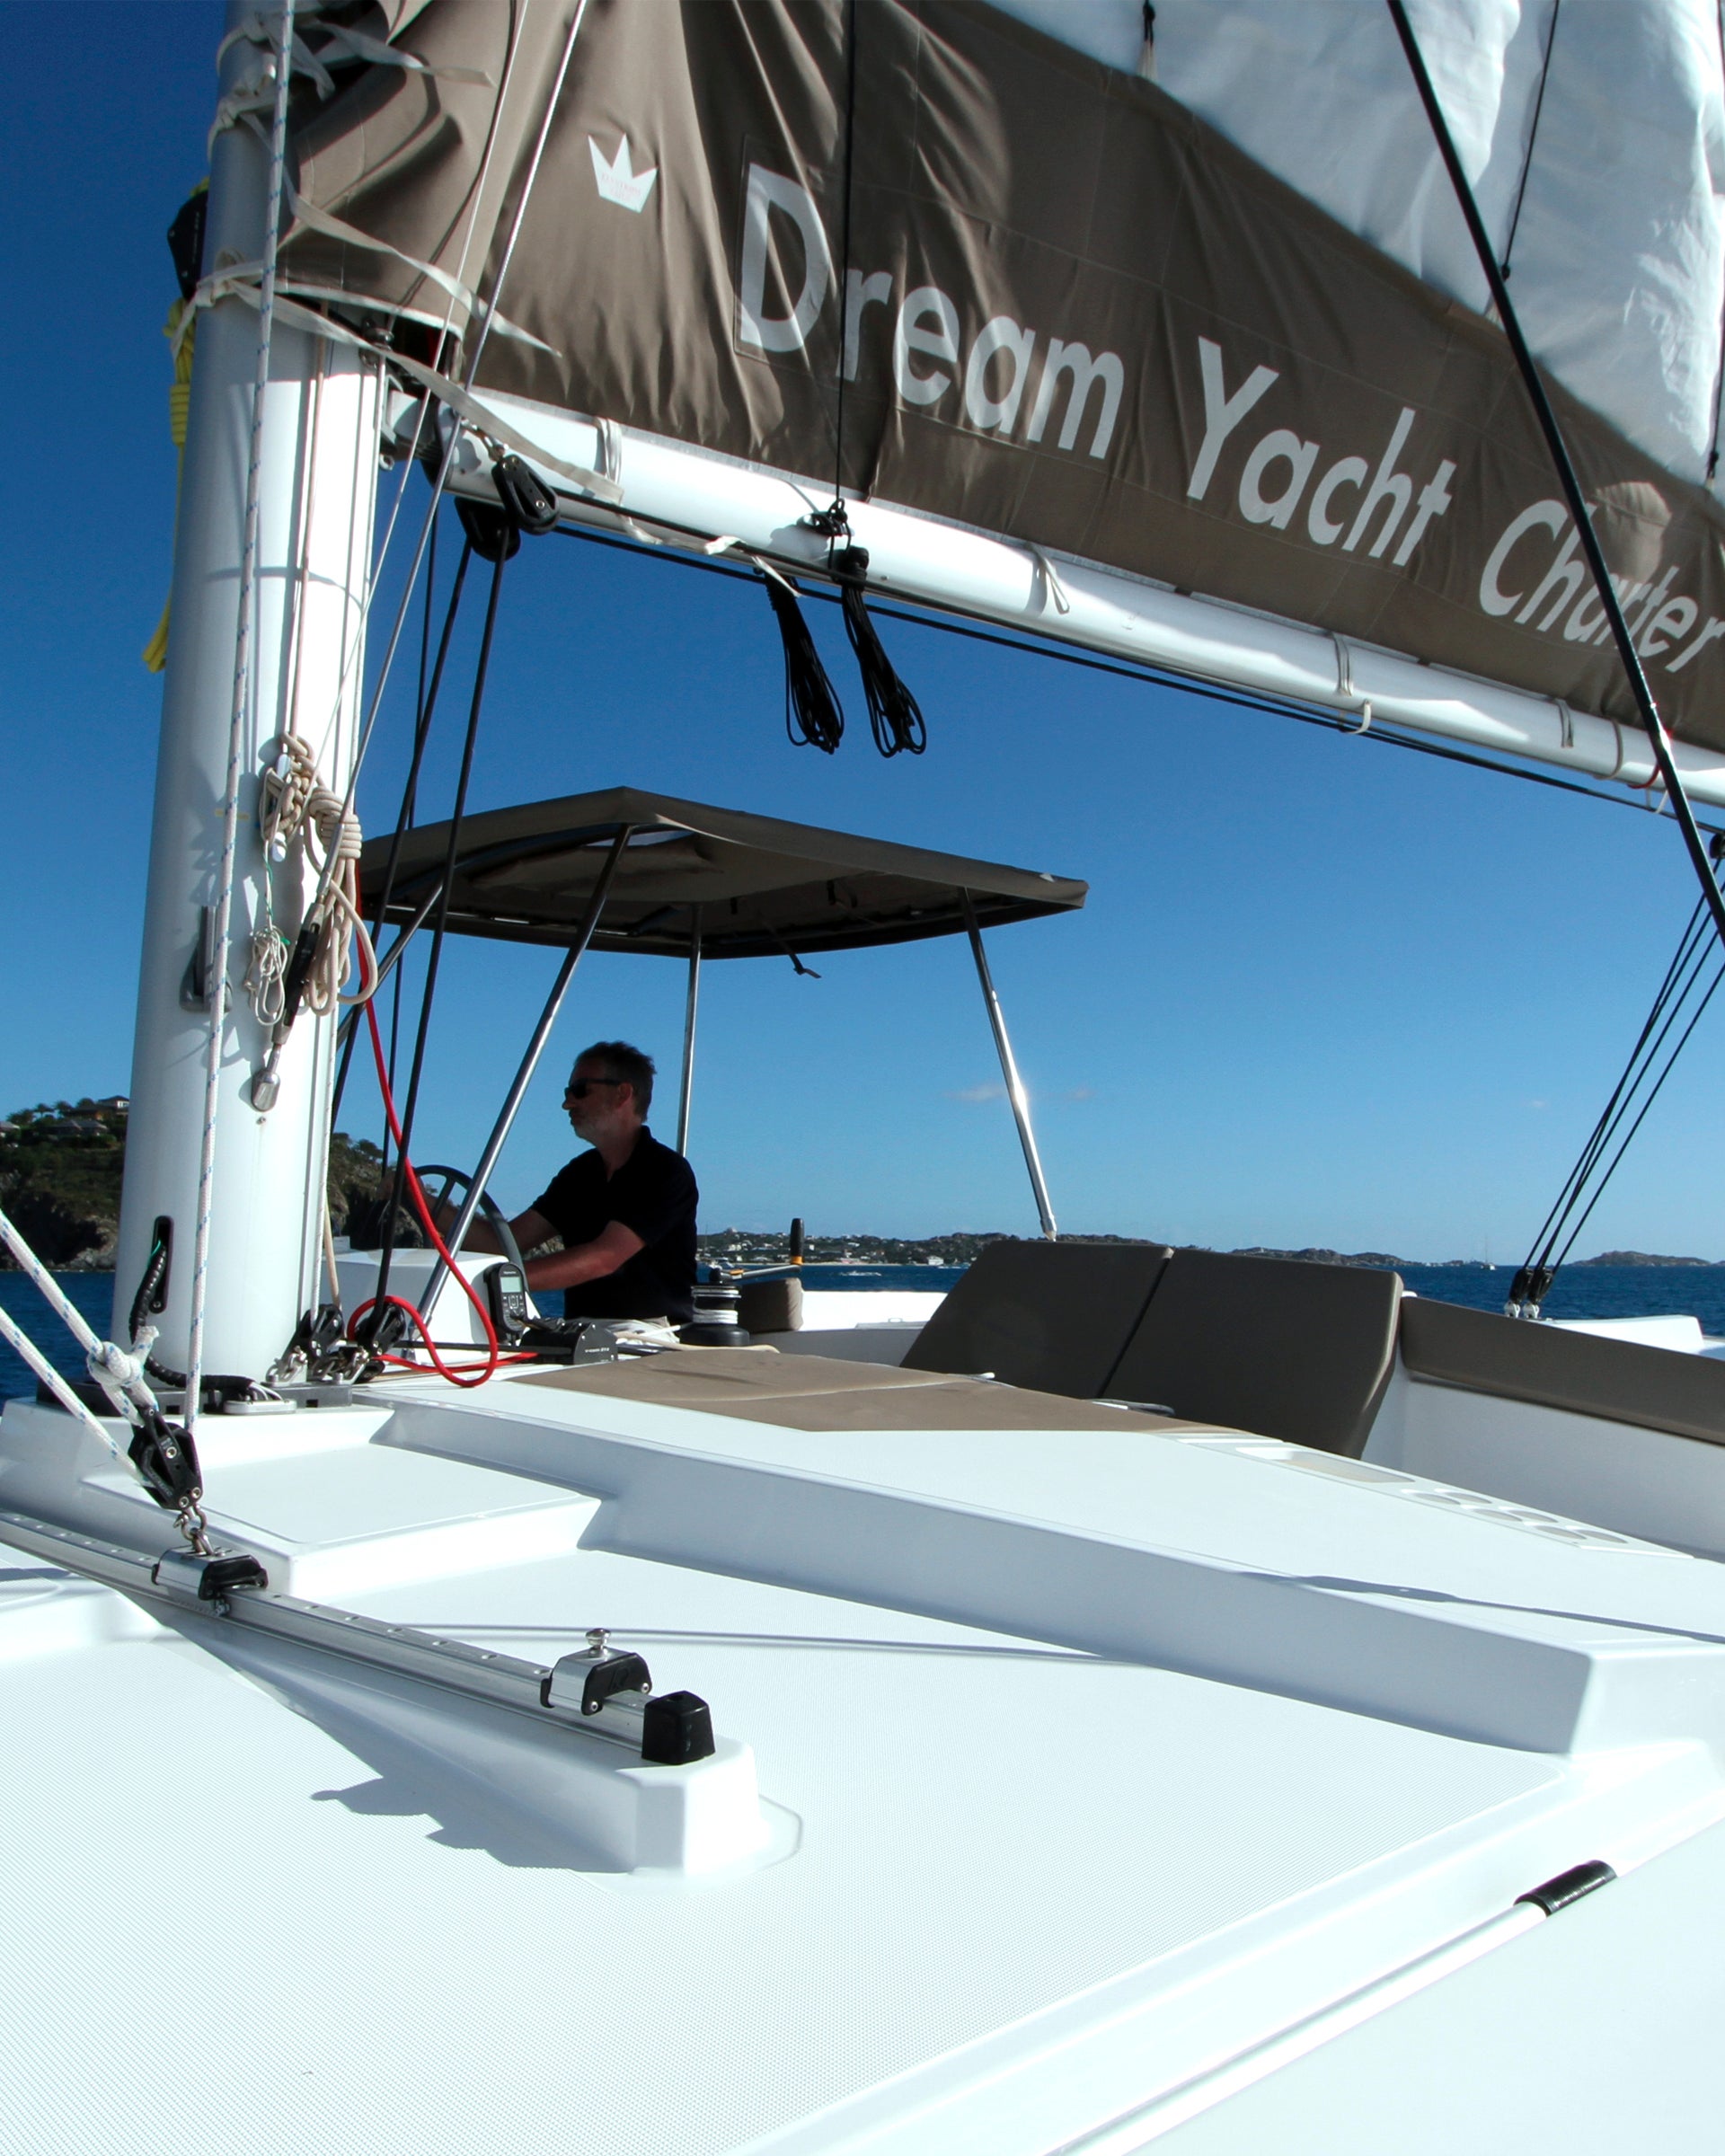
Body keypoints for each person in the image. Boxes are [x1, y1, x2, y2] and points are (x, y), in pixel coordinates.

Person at [450, 1041, 698, 1323]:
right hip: (581, 1334)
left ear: (622, 1093)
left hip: (653, 1338)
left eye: (580, 1090)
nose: (567, 1103)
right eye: (568, 1092)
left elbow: (604, 1257)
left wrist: (496, 1282)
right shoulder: (579, 1174)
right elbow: (505, 1242)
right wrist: (419, 1200)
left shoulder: (665, 1171)